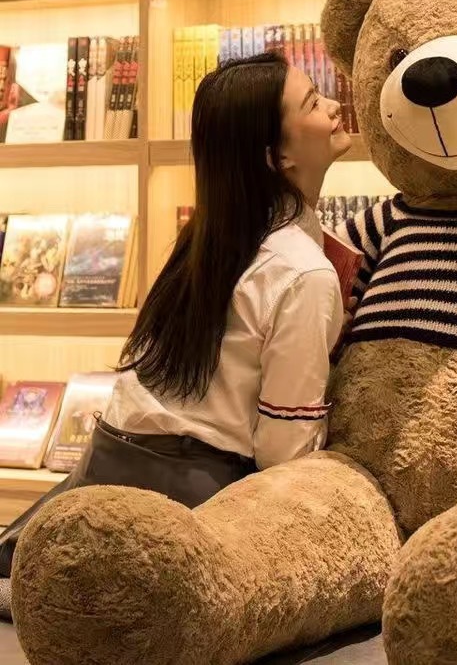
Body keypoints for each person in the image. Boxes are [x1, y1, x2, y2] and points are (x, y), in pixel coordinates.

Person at [0, 52, 351, 581]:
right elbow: (284, 452)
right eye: (313, 103)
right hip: (194, 499)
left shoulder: (207, 238)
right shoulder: (303, 271)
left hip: (105, 466)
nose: (334, 106)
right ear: (277, 156)